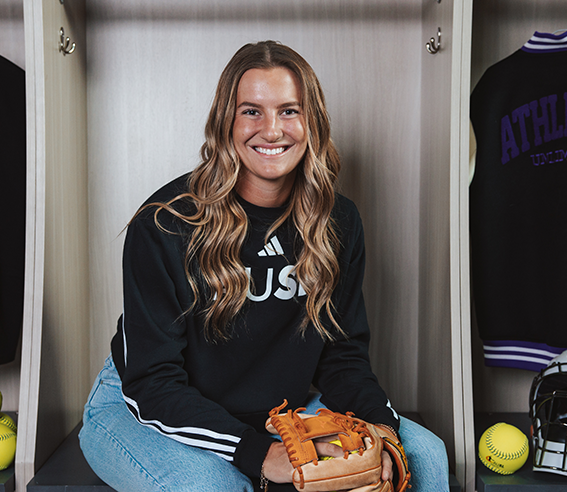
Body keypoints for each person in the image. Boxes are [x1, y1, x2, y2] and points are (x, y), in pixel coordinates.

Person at [78, 40, 449, 492]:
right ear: (225, 123)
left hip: (275, 407)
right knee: (214, 487)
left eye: (289, 111)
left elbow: (342, 355)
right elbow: (152, 381)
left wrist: (382, 429)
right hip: (142, 403)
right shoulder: (166, 224)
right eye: (251, 111)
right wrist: (258, 454)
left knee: (424, 458)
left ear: (312, 123)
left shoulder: (339, 221)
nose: (272, 130)